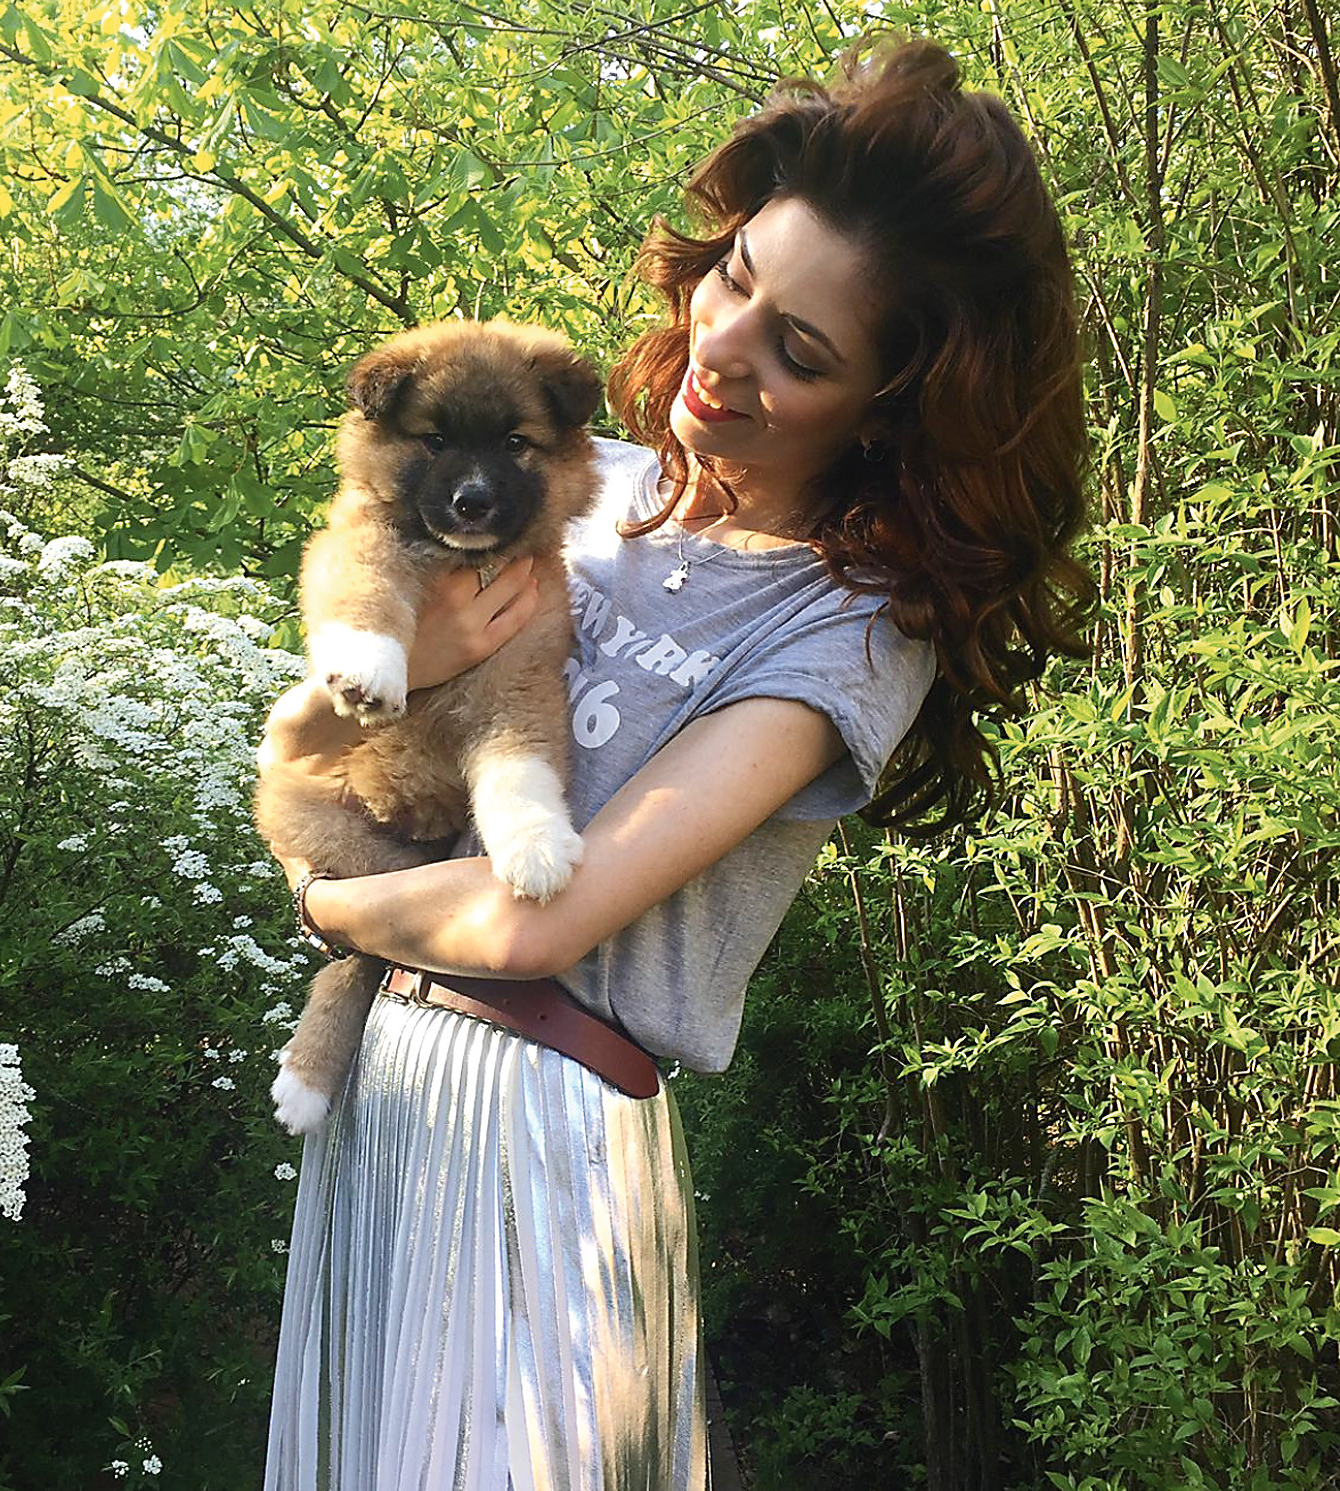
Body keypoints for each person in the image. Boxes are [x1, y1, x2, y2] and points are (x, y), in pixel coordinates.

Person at [261, 33, 1094, 1491]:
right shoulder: (577, 490)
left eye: (802, 351)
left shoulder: (845, 634)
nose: (722, 345)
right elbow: (301, 740)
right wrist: (378, 702)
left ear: (891, 402)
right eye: (737, 279)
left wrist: (326, 901)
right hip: (385, 1079)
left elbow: (545, 922)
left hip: (539, 1128)